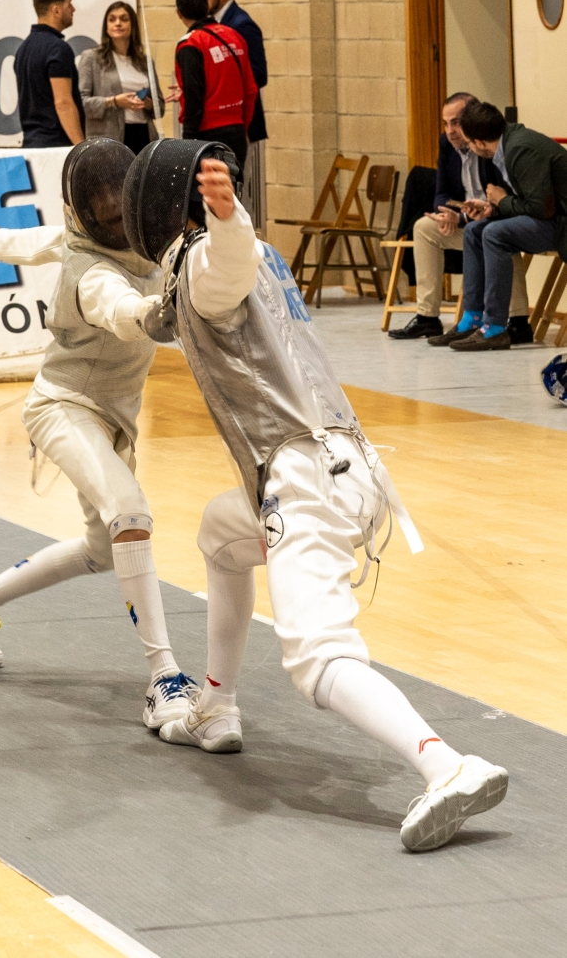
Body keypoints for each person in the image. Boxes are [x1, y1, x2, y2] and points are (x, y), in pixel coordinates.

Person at [120, 138, 509, 853]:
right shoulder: (250, 258)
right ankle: (218, 705)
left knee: (317, 657)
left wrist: (227, 216)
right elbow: (164, 308)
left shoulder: (216, 258)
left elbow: (218, 263)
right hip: (343, 467)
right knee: (220, 533)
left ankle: (447, 763)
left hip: (302, 479)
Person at [0, 139, 196, 730]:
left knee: (101, 549)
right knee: (131, 513)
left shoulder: (84, 236)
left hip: (110, 420)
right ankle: (164, 676)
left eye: (121, 202)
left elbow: (30, 239)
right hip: (63, 408)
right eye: (105, 207)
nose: (116, 215)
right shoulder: (91, 269)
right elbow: (118, 306)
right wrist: (153, 315)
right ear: (85, 212)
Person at [389, 93, 531, 343]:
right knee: (423, 227)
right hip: (466, 221)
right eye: (445, 123)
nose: (450, 131)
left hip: (493, 217)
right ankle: (427, 318)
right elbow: (440, 191)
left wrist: (466, 216)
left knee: (495, 232)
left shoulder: (490, 144)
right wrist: (448, 214)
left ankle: (518, 321)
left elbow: (505, 194)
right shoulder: (447, 144)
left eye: (455, 122)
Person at [439, 102, 567, 352]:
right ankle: (472, 318)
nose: (472, 150)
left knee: (494, 233)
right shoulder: (508, 144)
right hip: (549, 219)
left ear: (479, 141)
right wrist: (493, 207)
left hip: (561, 224)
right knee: (475, 230)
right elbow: (528, 201)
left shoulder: (521, 148)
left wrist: (501, 201)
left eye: (470, 144)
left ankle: (495, 327)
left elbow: (542, 208)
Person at [173, 0, 257, 172]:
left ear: (179, 13)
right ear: (207, 6)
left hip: (206, 137)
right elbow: (251, 89)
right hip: (236, 132)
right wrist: (241, 128)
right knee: (231, 198)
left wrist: (189, 143)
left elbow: (194, 96)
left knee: (207, 200)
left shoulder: (190, 43)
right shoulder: (234, 36)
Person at [192, 0, 268, 147]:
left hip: (241, 123)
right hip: (219, 125)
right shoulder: (211, 24)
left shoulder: (241, 25)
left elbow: (258, 75)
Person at [78, 1, 164, 155]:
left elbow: (161, 107)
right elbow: (83, 103)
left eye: (124, 19)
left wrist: (148, 103)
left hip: (144, 134)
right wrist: (115, 101)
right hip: (110, 137)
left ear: (133, 25)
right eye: (112, 19)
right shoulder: (92, 58)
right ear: (106, 27)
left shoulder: (145, 61)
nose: (118, 23)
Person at [14, 0, 85, 148]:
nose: (73, 9)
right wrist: (81, 148)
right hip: (55, 146)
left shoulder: (23, 49)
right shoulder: (58, 49)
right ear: (56, 10)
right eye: (69, 3)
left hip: (30, 144)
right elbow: (63, 103)